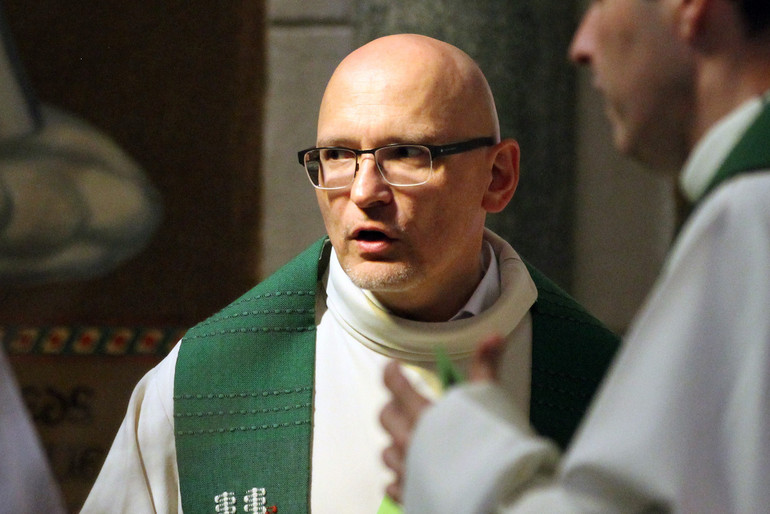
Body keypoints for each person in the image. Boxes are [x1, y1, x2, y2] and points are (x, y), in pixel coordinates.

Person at [81, 34, 618, 513]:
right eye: (338, 155)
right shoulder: (200, 387)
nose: (363, 193)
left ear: (498, 176)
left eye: (407, 153)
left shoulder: (607, 389)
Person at [381, 1, 770, 512]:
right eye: (336, 156)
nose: (580, 46)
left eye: (599, 3)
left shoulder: (750, 214)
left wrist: (460, 464)